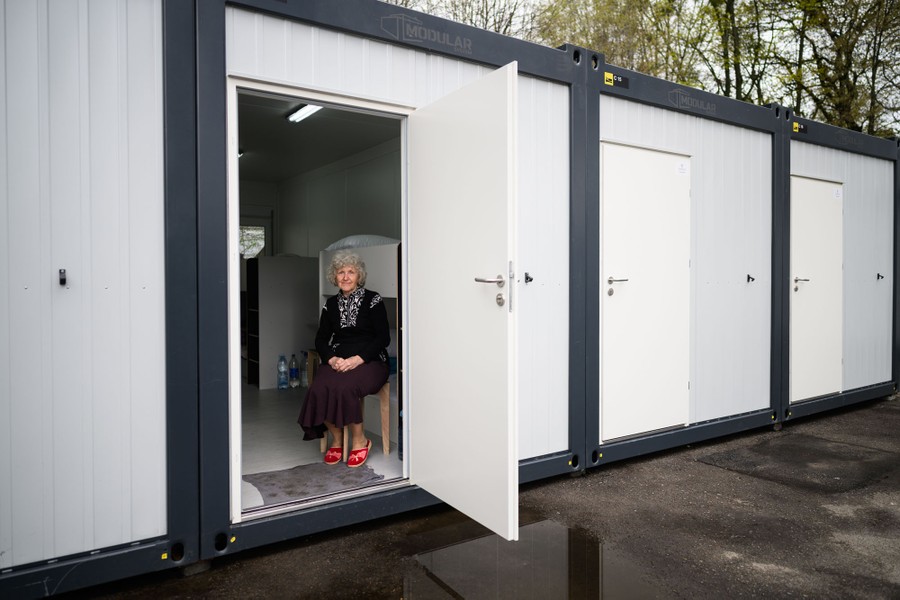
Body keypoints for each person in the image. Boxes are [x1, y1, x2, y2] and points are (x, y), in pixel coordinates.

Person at [298, 251, 390, 468]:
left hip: (371, 360)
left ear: (359, 275)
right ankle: (337, 439)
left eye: (351, 272)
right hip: (339, 358)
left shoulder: (373, 299)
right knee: (318, 388)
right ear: (335, 276)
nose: (346, 277)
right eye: (341, 272)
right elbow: (320, 340)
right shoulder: (329, 305)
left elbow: (383, 338)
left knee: (346, 386)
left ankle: (360, 440)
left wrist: (357, 360)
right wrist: (331, 360)